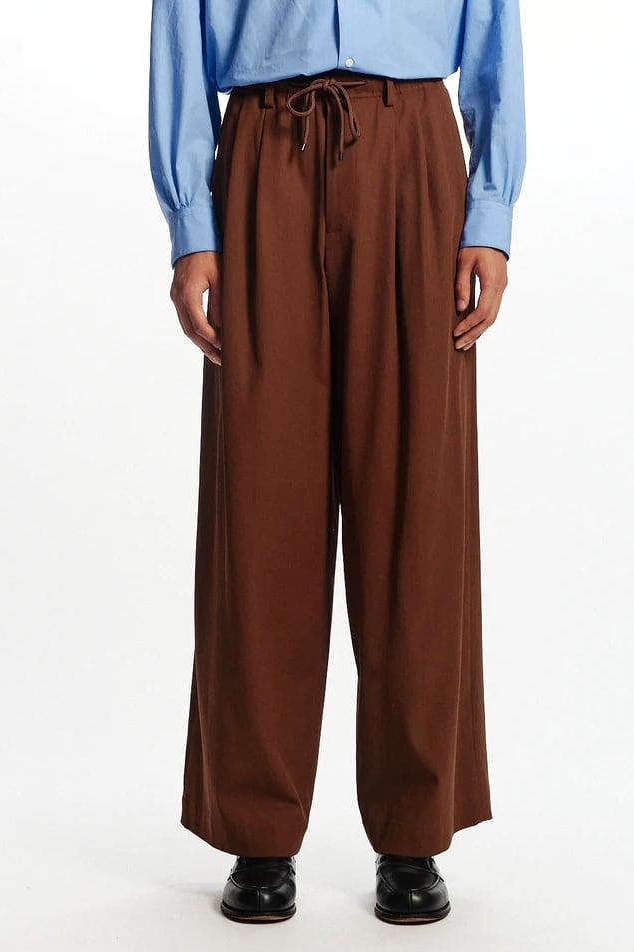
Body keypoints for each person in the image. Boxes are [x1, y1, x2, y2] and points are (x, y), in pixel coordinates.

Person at [148, 0, 526, 926]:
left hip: (415, 149)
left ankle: (413, 831)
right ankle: (258, 830)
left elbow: (492, 31)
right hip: (265, 149)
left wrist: (490, 210)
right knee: (261, 500)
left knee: (417, 500)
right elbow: (179, 33)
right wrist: (193, 225)